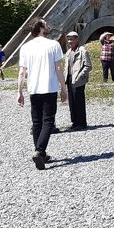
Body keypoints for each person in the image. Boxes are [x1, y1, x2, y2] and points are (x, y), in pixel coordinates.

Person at [17, 19, 66, 170]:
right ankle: (39, 151)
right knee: (48, 121)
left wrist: (19, 91)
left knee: (37, 122)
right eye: (45, 24)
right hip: (49, 87)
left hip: (34, 88)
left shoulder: (25, 47)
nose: (48, 25)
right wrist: (64, 89)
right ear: (41, 28)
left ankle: (40, 153)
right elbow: (58, 68)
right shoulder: (53, 45)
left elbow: (22, 72)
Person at [63, 31, 91, 130]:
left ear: (76, 39)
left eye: (72, 39)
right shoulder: (68, 52)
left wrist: (80, 76)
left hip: (78, 79)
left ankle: (82, 123)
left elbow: (88, 66)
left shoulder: (83, 51)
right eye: (68, 39)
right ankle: (74, 122)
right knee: (71, 102)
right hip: (69, 79)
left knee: (79, 101)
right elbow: (66, 66)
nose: (70, 41)